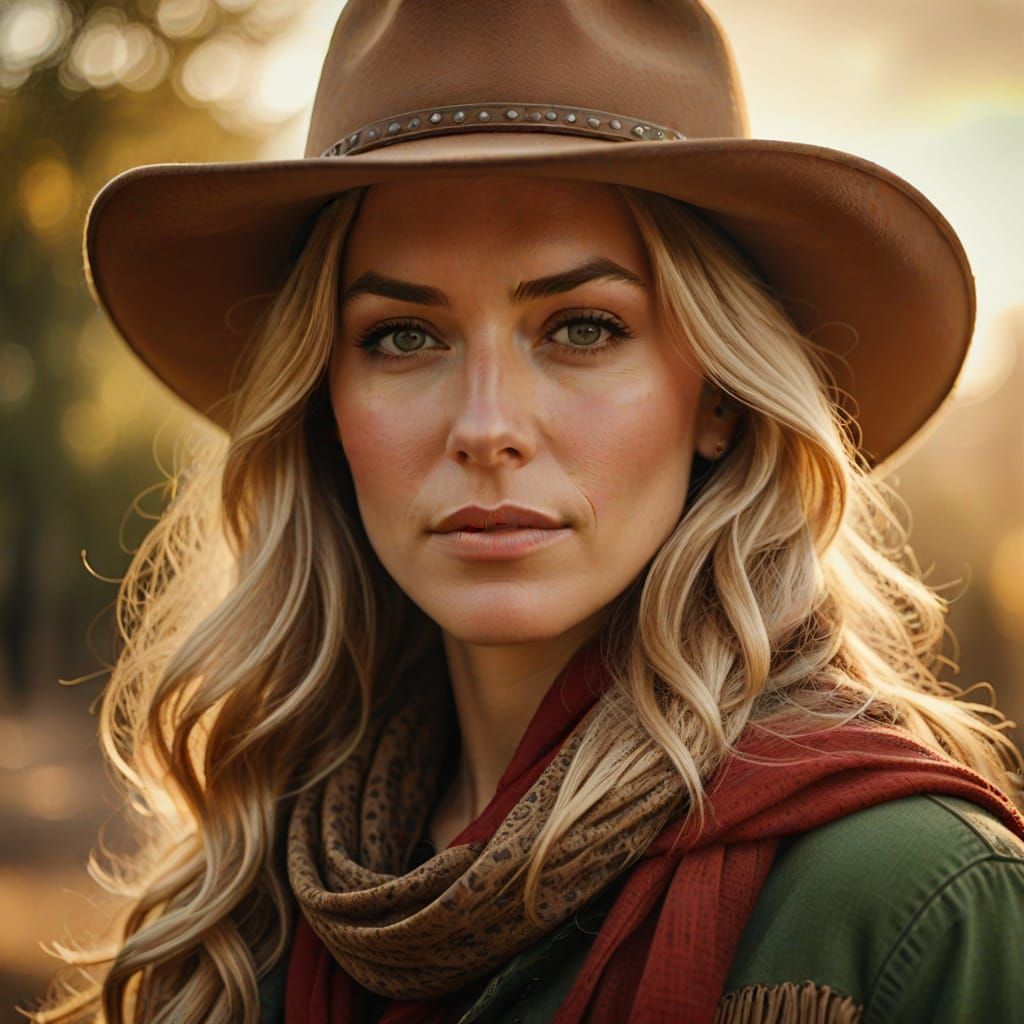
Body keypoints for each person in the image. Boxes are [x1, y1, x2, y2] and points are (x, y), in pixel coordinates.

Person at [25, 1, 1024, 1023]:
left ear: (717, 396)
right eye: (404, 336)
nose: (487, 426)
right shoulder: (247, 905)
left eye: (582, 326)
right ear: (323, 401)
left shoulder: (910, 903)